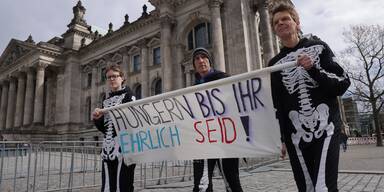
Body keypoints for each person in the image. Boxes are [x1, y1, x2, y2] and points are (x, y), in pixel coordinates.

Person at [268, 3, 351, 192]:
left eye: (285, 19)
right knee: (307, 188)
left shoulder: (318, 47)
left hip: (326, 127)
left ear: (297, 23)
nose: (281, 23)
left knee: (323, 188)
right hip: (295, 135)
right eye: (276, 22)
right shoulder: (274, 65)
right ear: (274, 30)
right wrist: (280, 138)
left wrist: (314, 69)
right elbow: (278, 104)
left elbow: (342, 83)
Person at [191, 47, 243, 192]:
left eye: (204, 57)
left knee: (231, 181)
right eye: (197, 58)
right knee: (201, 184)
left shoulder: (224, 78)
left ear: (209, 61)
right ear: (194, 64)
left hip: (225, 138)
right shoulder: (193, 88)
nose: (201, 60)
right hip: (203, 140)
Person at [92, 64, 136, 192]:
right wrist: (97, 119)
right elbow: (105, 129)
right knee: (107, 185)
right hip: (107, 147)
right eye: (109, 77)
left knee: (123, 185)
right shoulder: (106, 100)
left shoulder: (129, 95)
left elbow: (133, 121)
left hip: (125, 148)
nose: (111, 79)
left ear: (122, 78)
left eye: (114, 76)